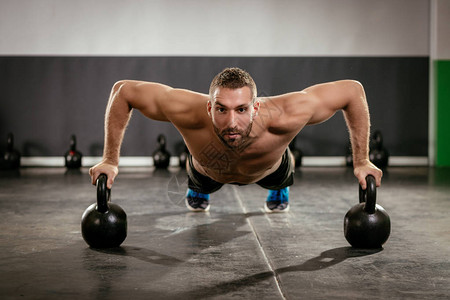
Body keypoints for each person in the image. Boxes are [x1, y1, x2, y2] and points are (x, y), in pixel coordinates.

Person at [89, 67, 382, 213]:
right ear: (209, 106)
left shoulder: (287, 113)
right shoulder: (186, 109)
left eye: (241, 109)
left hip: (270, 170)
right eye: (221, 109)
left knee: (280, 172)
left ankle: (279, 190)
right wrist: (110, 160)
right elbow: (123, 90)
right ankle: (200, 190)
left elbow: (352, 92)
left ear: (255, 107)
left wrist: (362, 160)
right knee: (200, 175)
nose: (232, 122)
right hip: (206, 169)